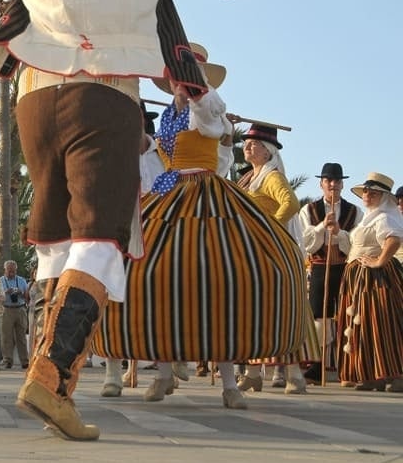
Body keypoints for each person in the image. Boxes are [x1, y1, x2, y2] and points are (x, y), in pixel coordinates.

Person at [0, 0, 281, 440]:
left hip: (33, 102)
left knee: (55, 240)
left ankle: (49, 381)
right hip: (101, 98)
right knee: (100, 238)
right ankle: (51, 382)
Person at [93, 45, 306, 410]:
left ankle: (229, 383)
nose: (181, 84)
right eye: (177, 79)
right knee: (150, 270)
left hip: (209, 195)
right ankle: (162, 371)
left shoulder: (210, 107)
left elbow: (210, 128)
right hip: (171, 192)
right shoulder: (173, 116)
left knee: (221, 279)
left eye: (186, 77)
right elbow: (162, 154)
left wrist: (202, 102)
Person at [235, 124, 315, 394]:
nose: (247, 146)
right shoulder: (250, 178)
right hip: (256, 253)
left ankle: (295, 375)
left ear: (268, 152)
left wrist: (271, 230)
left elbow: (291, 204)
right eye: (246, 143)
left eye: (254, 144)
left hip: (273, 254)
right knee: (257, 313)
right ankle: (254, 373)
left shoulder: (272, 177)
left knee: (280, 311)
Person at [337, 173, 403, 392]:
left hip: (376, 280)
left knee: (380, 324)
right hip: (359, 277)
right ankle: (370, 374)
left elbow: (393, 239)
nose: (367, 195)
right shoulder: (369, 218)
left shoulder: (385, 217)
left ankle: (393, 374)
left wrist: (379, 261)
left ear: (384, 197)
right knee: (363, 326)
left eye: (373, 192)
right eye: (366, 191)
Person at [298, 163, 360, 384]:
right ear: (321, 184)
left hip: (343, 267)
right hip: (319, 267)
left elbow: (356, 242)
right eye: (328, 181)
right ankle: (317, 365)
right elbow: (304, 241)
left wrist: (340, 234)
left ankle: (346, 367)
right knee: (318, 316)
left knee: (345, 315)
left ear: (342, 184)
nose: (332, 185)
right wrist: (322, 227)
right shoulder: (308, 210)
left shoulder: (355, 211)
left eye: (336, 181)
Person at [0, 260, 30, 369]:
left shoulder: (21, 280)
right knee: (6, 336)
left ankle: (25, 361)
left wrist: (20, 292)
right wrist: (6, 292)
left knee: (21, 337)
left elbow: (27, 298)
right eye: (9, 270)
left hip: (20, 309)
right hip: (6, 309)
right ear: (5, 270)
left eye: (13, 270)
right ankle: (7, 360)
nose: (11, 272)